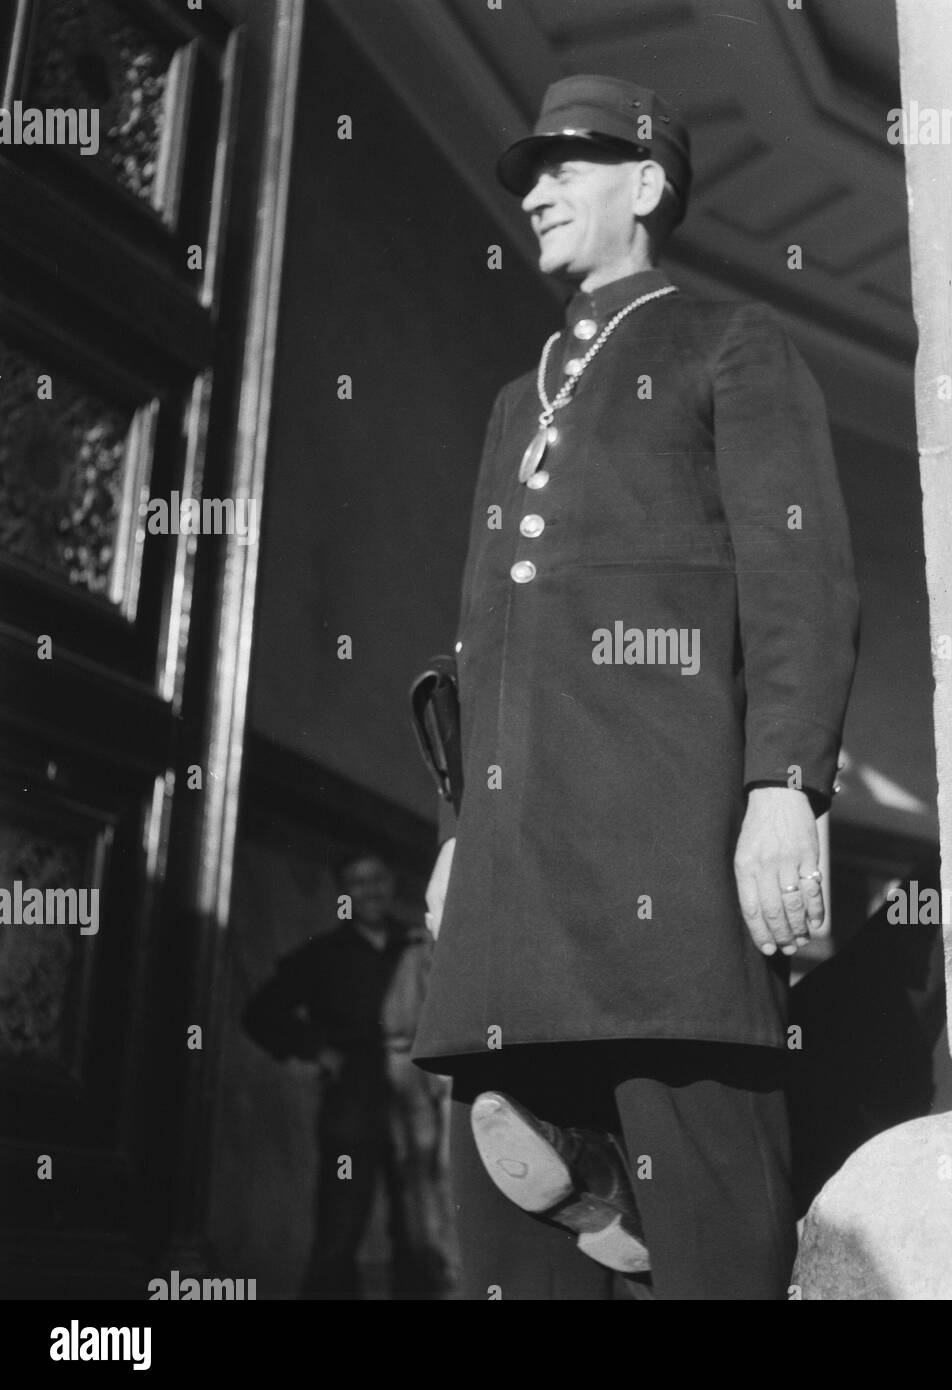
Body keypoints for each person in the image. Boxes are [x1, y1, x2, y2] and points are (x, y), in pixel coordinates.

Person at [412, 75, 859, 1300]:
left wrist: (785, 785)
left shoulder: (732, 343)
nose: (539, 192)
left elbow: (798, 578)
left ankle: (642, 1217)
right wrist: (460, 831)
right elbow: (485, 635)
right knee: (517, 1230)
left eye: (569, 167)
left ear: (649, 186)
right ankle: (602, 1201)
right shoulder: (518, 401)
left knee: (716, 1221)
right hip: (521, 867)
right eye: (530, 175)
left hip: (669, 859)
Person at [242, 848, 449, 1298]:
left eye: (378, 878)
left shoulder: (414, 944)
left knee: (417, 1227)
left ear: (392, 883)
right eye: (358, 882)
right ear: (343, 892)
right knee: (340, 1225)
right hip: (352, 1106)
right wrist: (316, 1049)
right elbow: (259, 1013)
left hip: (412, 1102)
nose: (370, 890)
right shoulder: (323, 954)